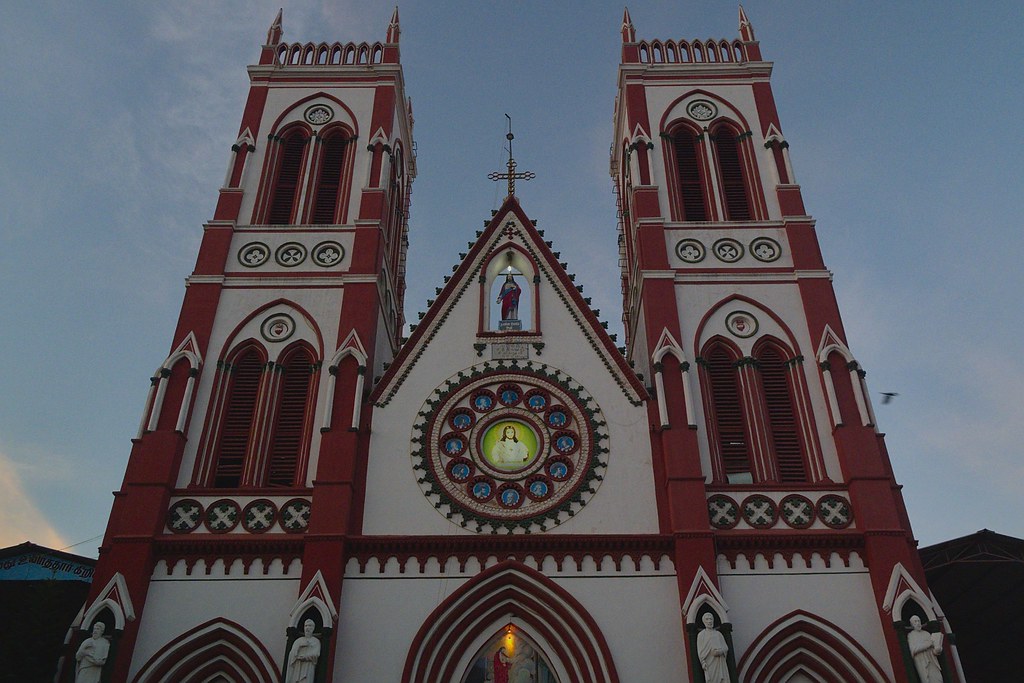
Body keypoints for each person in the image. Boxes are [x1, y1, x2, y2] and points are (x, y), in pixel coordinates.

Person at [907, 615, 943, 683]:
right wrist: (927, 645)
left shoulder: (927, 634)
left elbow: (933, 650)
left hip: (932, 660)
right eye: (915, 621)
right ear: (912, 624)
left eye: (919, 621)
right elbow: (913, 650)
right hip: (922, 662)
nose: (918, 623)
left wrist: (937, 650)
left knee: (939, 679)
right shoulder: (911, 635)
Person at [696, 612, 729, 683]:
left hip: (720, 662)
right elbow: (700, 651)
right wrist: (703, 662)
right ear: (704, 621)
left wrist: (720, 651)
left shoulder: (718, 634)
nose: (709, 621)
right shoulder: (701, 635)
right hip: (709, 663)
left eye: (711, 619)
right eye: (707, 619)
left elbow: (725, 647)